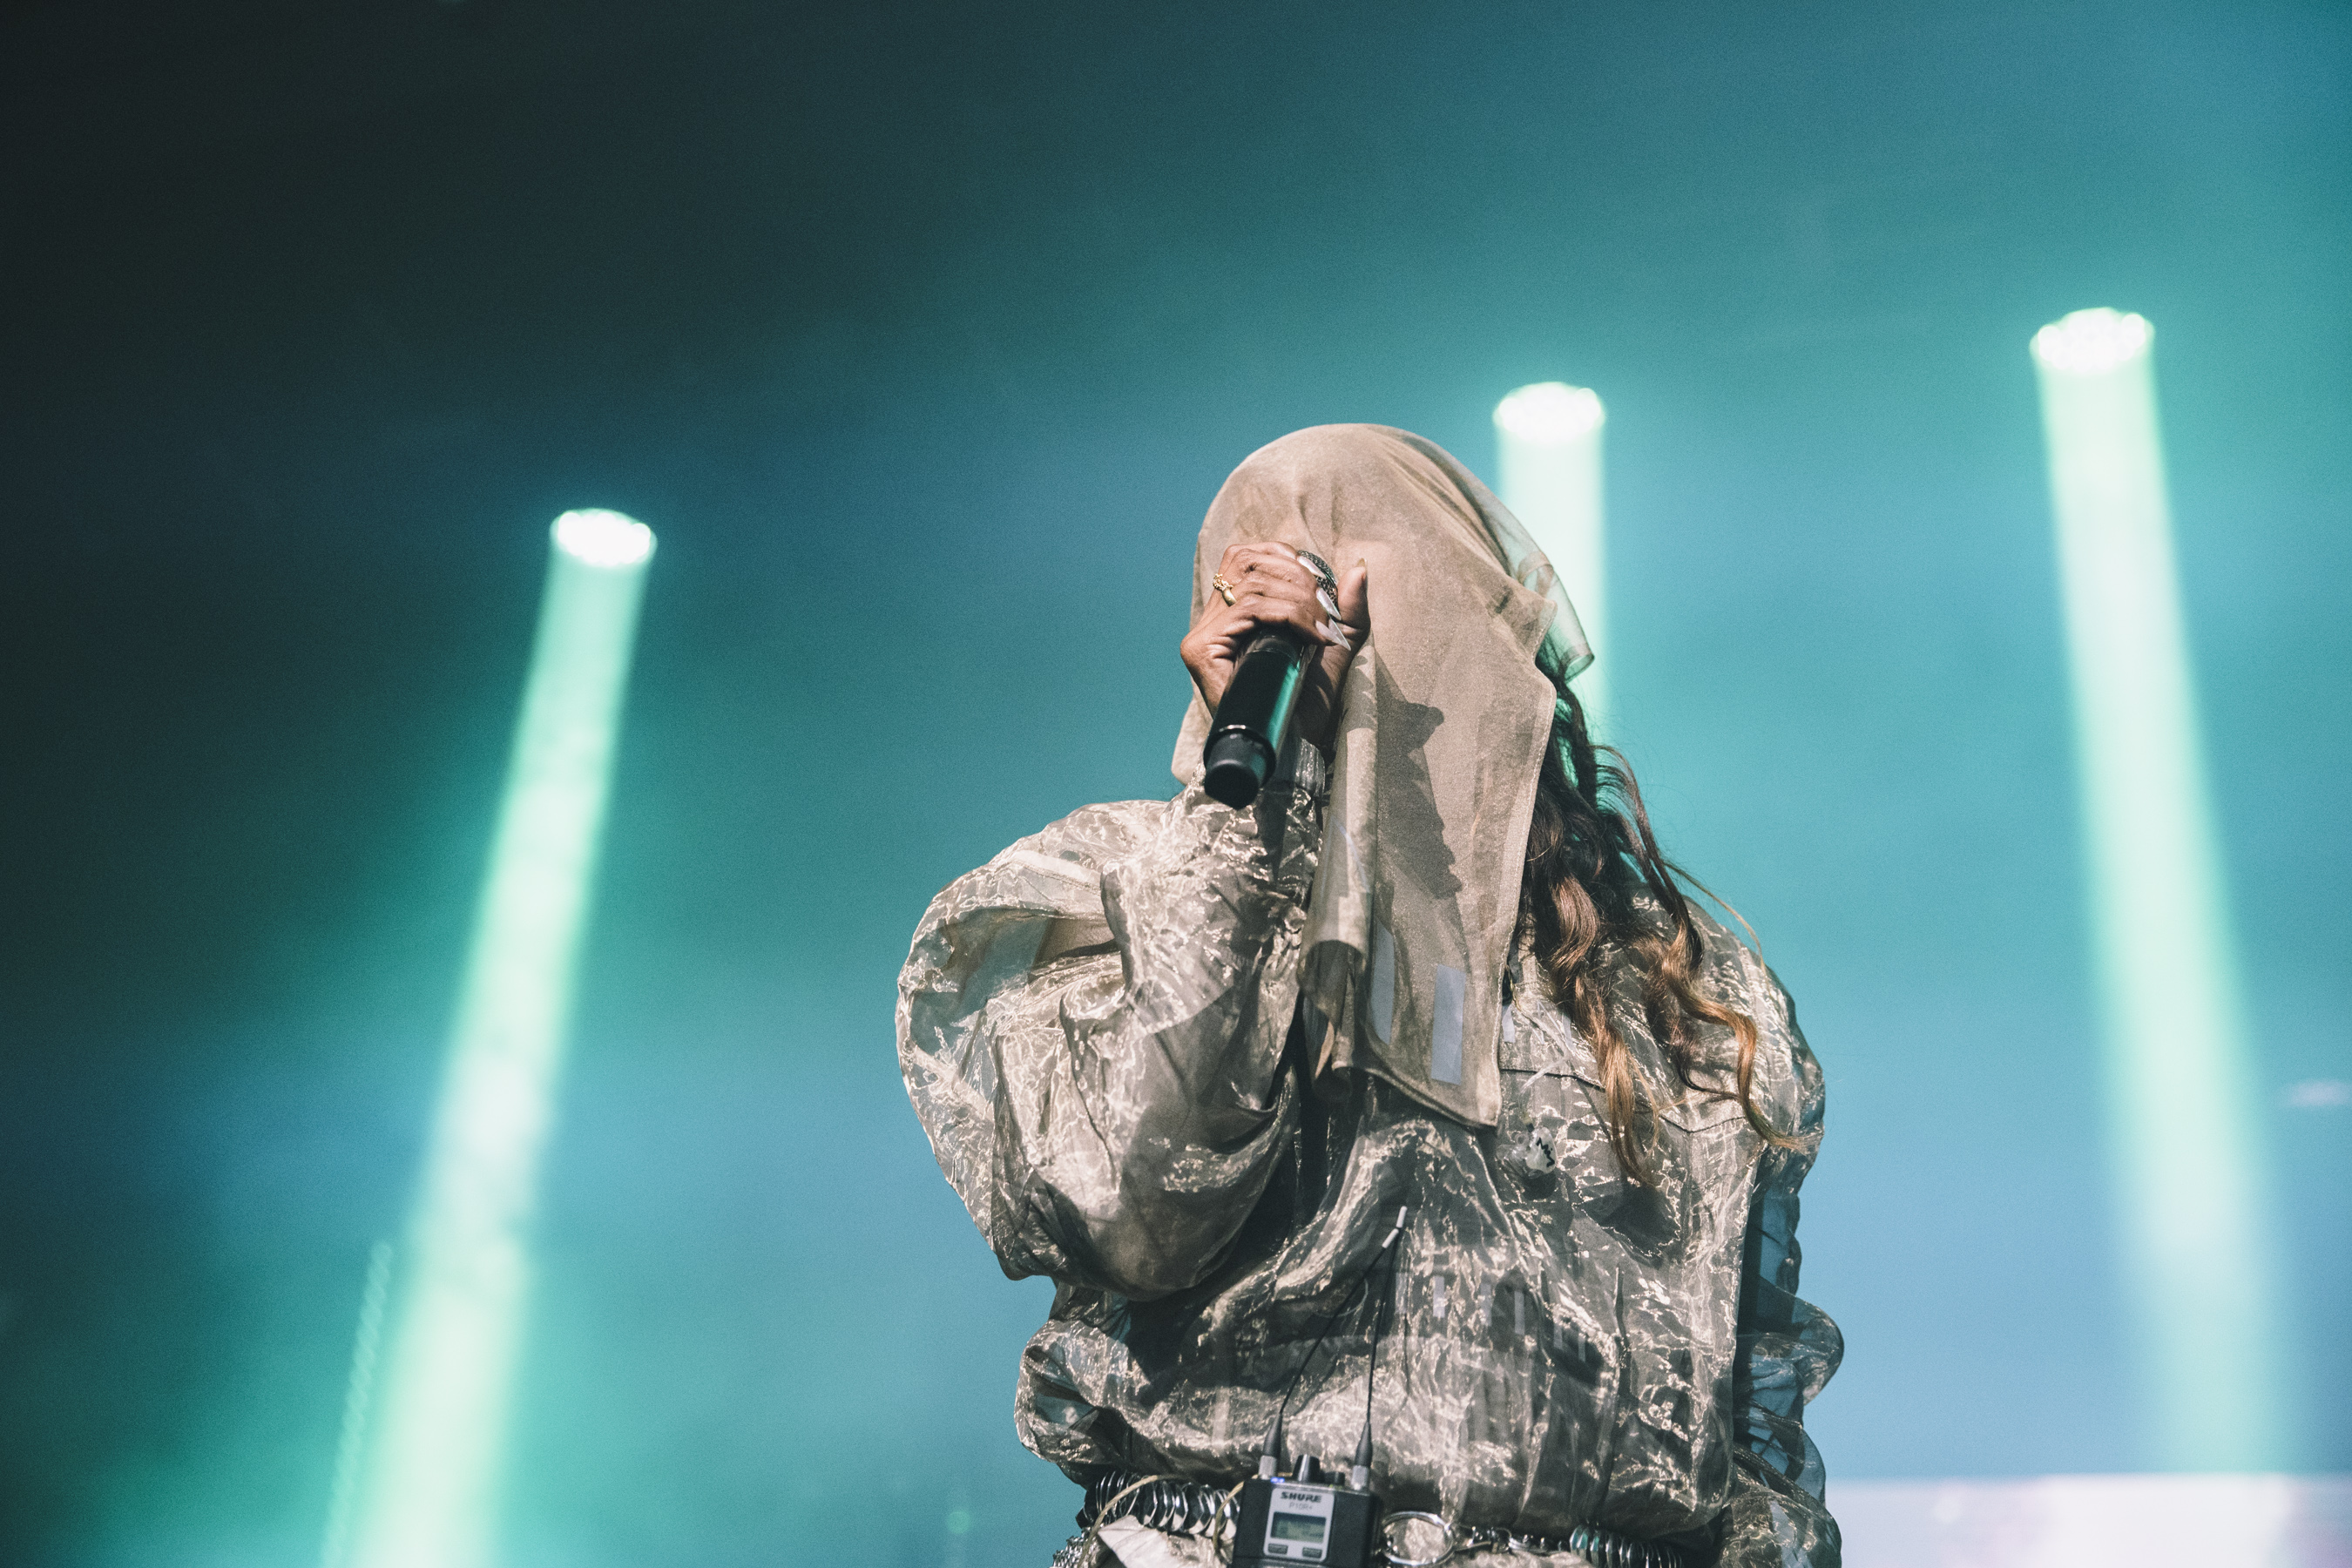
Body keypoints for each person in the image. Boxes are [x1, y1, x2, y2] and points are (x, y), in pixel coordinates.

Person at [898, 425, 1841, 1568]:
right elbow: (1133, 1200)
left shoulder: (1683, 991)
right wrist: (1252, 817)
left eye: (1325, 576)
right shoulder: (1123, 890)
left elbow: (1750, 1411)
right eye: (1247, 576)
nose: (1289, 611)